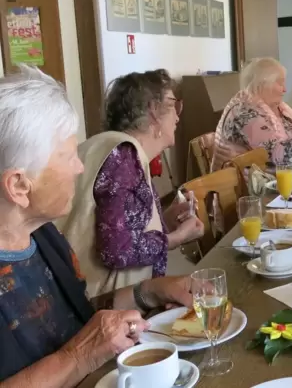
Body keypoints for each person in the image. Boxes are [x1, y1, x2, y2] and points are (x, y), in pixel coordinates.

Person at [0, 66, 193, 385]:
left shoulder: (43, 236)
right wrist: (79, 355)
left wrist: (151, 292)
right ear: (19, 185)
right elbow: (81, 343)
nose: (79, 167)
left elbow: (80, 314)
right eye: (66, 156)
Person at [57, 70, 204, 297]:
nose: (177, 116)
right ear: (154, 110)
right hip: (104, 307)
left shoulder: (115, 149)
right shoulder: (123, 155)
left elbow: (119, 226)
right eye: (174, 104)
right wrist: (175, 239)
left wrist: (164, 219)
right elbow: (117, 250)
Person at [212, 57, 292, 169]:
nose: (285, 89)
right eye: (280, 83)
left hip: (281, 176)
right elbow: (279, 157)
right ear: (263, 84)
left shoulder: (275, 107)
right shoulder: (245, 113)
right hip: (252, 186)